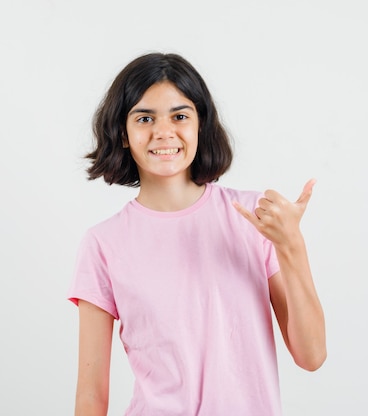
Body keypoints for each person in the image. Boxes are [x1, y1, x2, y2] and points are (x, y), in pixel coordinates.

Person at [68, 52, 326, 416]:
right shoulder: (103, 244)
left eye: (180, 116)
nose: (163, 131)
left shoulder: (253, 218)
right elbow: (91, 397)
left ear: (199, 126)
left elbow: (311, 356)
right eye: (144, 118)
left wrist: (292, 247)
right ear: (122, 134)